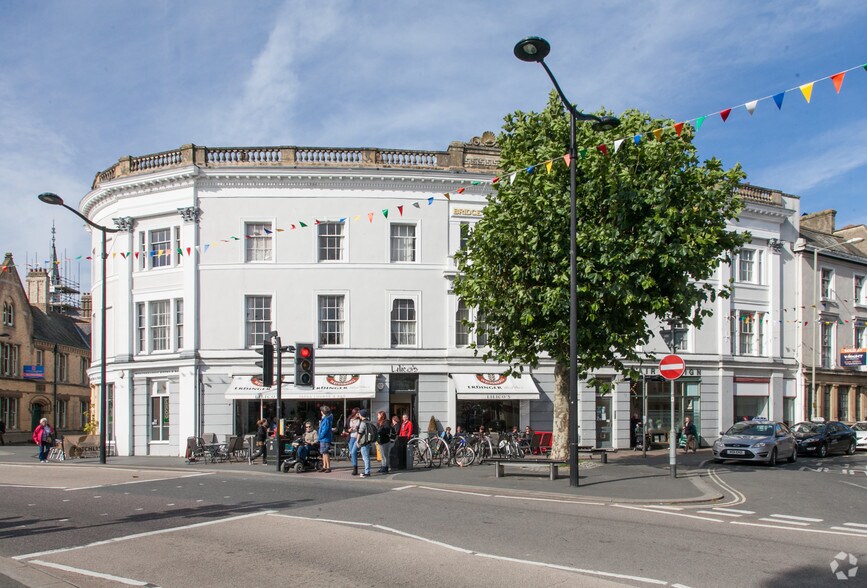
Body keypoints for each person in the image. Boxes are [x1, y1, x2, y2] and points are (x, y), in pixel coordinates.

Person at [356, 409, 372, 478]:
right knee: (366, 456)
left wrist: (357, 441)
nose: (358, 415)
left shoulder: (363, 423)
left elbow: (360, 432)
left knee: (365, 457)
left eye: (359, 414)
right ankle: (367, 471)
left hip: (364, 442)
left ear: (361, 415)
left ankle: (367, 472)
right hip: (368, 441)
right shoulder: (368, 422)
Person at [346, 407, 361, 476]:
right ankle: (354, 466)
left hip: (357, 437)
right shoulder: (349, 419)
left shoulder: (360, 420)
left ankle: (355, 468)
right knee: (352, 453)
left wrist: (357, 429)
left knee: (353, 451)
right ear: (354, 413)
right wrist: (348, 430)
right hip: (351, 437)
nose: (359, 414)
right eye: (358, 413)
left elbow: (361, 428)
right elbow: (345, 428)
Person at [318, 406, 333, 473]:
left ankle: (328, 467)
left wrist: (320, 436)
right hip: (323, 438)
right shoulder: (325, 419)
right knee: (323, 453)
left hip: (325, 438)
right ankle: (324, 466)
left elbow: (325, 430)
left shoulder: (326, 419)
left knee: (326, 453)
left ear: (323, 412)